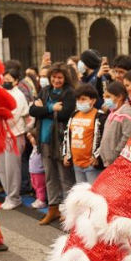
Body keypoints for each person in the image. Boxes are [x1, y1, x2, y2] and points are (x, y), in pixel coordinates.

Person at [29, 63, 76, 225]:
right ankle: (53, 209)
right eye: (54, 77)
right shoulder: (45, 90)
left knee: (65, 177)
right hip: (44, 140)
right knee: (50, 176)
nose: (56, 80)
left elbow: (64, 114)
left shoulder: (69, 92)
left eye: (60, 77)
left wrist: (43, 109)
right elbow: (33, 111)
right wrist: (51, 107)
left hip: (61, 140)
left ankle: (71, 212)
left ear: (65, 78)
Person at [0, 66, 31, 211]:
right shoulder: (2, 92)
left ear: (16, 81)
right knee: (2, 168)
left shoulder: (18, 95)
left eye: (9, 80)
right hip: (1, 134)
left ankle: (14, 197)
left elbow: (11, 116)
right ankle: (9, 195)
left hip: (14, 135)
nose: (5, 82)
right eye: (4, 80)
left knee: (12, 168)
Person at [63, 84, 107, 184]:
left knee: (92, 194)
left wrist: (97, 156)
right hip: (76, 163)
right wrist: (66, 154)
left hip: (91, 164)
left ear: (93, 100)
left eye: (83, 99)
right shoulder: (74, 114)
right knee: (81, 193)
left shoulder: (99, 117)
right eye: (78, 99)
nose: (80, 102)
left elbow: (104, 139)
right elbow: (67, 135)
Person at [100, 81, 131, 167]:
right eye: (104, 97)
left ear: (119, 97)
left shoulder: (126, 114)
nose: (105, 100)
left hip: (118, 162)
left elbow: (127, 136)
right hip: (109, 162)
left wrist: (116, 153)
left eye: (108, 97)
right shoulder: (112, 113)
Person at [27, 132, 47, 209]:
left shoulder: (40, 149)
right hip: (33, 171)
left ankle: (42, 200)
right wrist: (30, 135)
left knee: (40, 186)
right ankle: (38, 198)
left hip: (39, 171)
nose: (30, 140)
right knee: (35, 185)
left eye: (32, 138)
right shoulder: (34, 148)